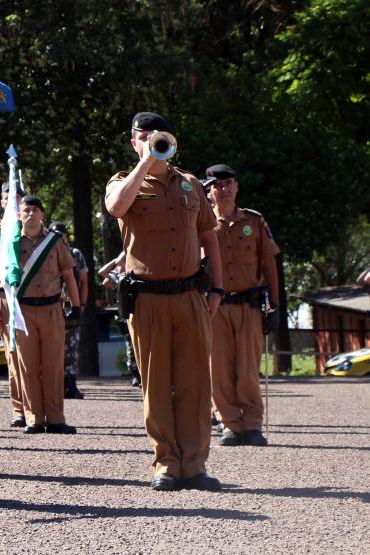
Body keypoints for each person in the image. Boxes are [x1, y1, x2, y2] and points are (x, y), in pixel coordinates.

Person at [104, 112, 224, 491]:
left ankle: (194, 464)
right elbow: (115, 208)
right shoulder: (123, 182)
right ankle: (166, 463)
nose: (153, 142)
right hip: (148, 297)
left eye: (160, 137)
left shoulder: (190, 184)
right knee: (156, 384)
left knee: (194, 382)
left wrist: (217, 288)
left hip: (190, 294)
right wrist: (144, 163)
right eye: (145, 136)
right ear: (134, 141)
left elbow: (209, 238)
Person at [205, 164, 280, 447]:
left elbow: (268, 263)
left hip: (249, 305)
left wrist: (274, 304)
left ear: (236, 186)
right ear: (209, 190)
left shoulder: (254, 221)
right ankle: (229, 424)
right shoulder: (201, 223)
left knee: (248, 368)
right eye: (217, 185)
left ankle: (251, 425)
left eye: (228, 184)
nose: (223, 189)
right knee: (219, 369)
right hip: (214, 306)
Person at [5, 198, 80, 434]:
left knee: (53, 365)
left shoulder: (55, 242)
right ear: (19, 215)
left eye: (35, 210)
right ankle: (34, 419)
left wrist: (76, 307)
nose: (30, 214)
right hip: (23, 310)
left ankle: (56, 418)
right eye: (26, 210)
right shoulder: (12, 243)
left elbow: (69, 275)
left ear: (42, 214)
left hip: (51, 309)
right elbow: (4, 276)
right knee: (27, 366)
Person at [0, 182, 27, 427]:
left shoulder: (34, 229)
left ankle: (39, 408)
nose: (12, 201)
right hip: (5, 297)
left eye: (18, 197)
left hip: (33, 298)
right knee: (13, 356)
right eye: (8, 197)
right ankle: (19, 410)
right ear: (1, 201)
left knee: (36, 357)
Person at [100, 252, 141, 387]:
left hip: (139, 313)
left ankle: (143, 374)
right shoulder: (118, 275)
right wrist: (115, 261)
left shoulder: (136, 270)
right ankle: (135, 375)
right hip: (125, 315)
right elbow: (103, 276)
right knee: (130, 346)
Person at [59, 227, 88, 399]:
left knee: (72, 346)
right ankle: (57, 385)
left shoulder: (75, 254)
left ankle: (71, 384)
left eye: (62, 235)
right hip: (53, 306)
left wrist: (81, 304)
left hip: (72, 306)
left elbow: (84, 281)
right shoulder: (46, 251)